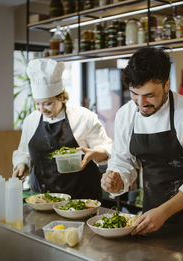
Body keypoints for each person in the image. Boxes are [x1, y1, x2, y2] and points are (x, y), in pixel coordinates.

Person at [101, 47, 183, 235]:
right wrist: (117, 181)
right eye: (134, 94)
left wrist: (163, 212)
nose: (141, 103)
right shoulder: (125, 114)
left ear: (166, 84)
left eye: (149, 95)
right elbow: (123, 161)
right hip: (150, 218)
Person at [13, 59, 112, 200]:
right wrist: (21, 164)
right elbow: (24, 152)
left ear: (61, 97)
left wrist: (94, 153)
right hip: (42, 198)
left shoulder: (83, 117)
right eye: (38, 104)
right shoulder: (31, 120)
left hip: (81, 199)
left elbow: (107, 149)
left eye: (47, 104)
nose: (42, 110)